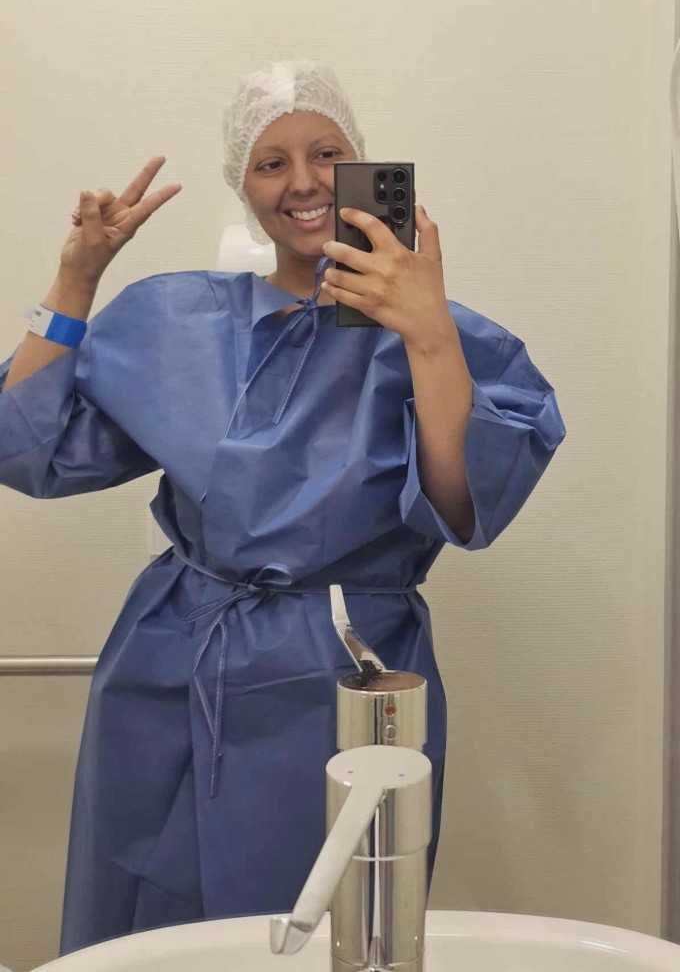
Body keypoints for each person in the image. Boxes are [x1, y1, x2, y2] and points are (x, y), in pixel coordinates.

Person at [0, 60, 565, 954]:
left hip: (345, 683)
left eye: (326, 154)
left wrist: (426, 332)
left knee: (340, 927)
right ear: (243, 184)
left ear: (361, 165)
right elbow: (24, 449)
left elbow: (464, 506)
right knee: (149, 929)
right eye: (271, 162)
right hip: (169, 668)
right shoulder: (178, 321)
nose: (302, 182)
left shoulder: (436, 333)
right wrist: (76, 277)